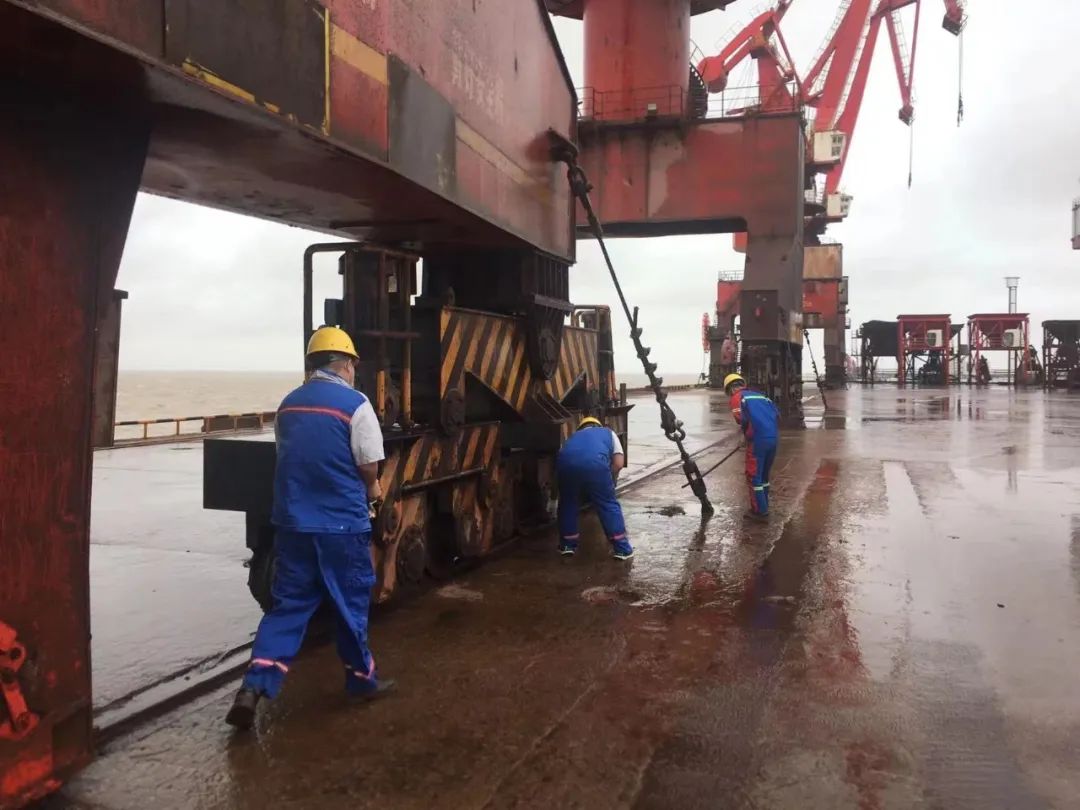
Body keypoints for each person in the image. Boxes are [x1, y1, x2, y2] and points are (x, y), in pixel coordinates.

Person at [226, 326, 389, 730]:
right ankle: (362, 680)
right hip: (341, 526)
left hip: (294, 524)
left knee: (289, 607)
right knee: (349, 605)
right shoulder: (356, 405)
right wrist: (373, 488)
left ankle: (254, 685)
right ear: (345, 364)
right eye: (352, 364)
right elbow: (369, 463)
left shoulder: (288, 405)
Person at [555, 417, 633, 560]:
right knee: (608, 504)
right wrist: (605, 478)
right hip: (595, 465)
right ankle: (622, 549)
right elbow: (618, 464)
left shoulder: (573, 437)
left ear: (581, 428)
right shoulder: (608, 433)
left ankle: (567, 546)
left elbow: (563, 455)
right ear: (598, 425)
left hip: (565, 466)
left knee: (568, 503)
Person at [723, 373, 780, 521]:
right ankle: (764, 505)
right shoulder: (761, 396)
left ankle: (759, 511)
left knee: (753, 475)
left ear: (730, 389)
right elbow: (776, 414)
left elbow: (741, 419)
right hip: (773, 438)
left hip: (758, 441)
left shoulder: (737, 398)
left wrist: (748, 437)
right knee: (764, 475)